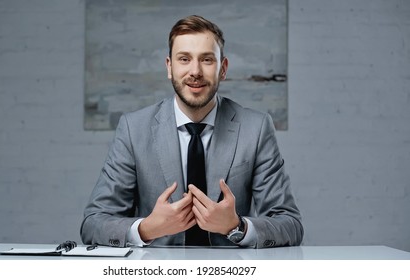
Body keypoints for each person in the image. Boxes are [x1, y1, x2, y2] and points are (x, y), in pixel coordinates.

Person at [81, 15, 303, 248]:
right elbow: (93, 224)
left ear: (223, 68)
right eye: (184, 59)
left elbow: (290, 224)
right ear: (170, 67)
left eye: (207, 60)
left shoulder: (255, 129)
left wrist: (236, 226)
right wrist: (147, 229)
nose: (195, 71)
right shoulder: (133, 129)